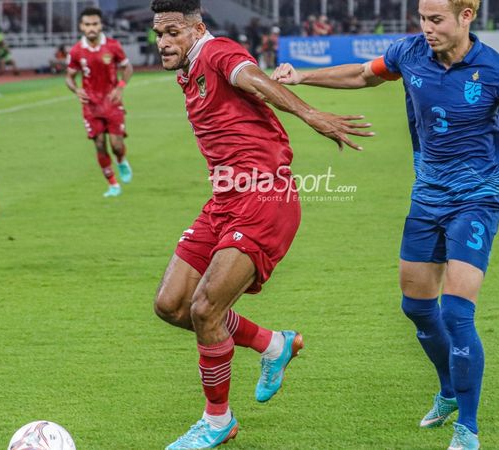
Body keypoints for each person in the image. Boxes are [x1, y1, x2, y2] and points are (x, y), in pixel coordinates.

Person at [271, 0, 499, 448]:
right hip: (427, 196)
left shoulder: (497, 71)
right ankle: (447, 391)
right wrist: (301, 75)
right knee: (417, 307)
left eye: (435, 20)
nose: (426, 28)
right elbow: (364, 73)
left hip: (477, 199)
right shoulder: (410, 53)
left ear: (466, 16)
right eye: (422, 18)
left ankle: (468, 428)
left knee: (458, 314)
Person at [149, 0, 373, 448]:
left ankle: (218, 421)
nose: (163, 42)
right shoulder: (189, 69)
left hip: (264, 197)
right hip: (224, 199)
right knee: (172, 305)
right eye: (158, 34)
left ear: (197, 27)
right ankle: (273, 344)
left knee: (205, 309)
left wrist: (311, 114)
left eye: (173, 31)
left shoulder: (217, 53)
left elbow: (250, 77)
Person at [65, 7, 134, 198]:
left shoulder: (112, 46)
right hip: (91, 105)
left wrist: (120, 87)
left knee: (116, 145)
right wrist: (76, 89)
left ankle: (121, 160)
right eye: (87, 24)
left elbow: (127, 68)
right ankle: (113, 184)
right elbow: (69, 77)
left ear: (101, 24)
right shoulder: (77, 51)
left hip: (112, 102)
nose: (91, 28)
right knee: (100, 145)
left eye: (95, 24)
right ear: (81, 26)